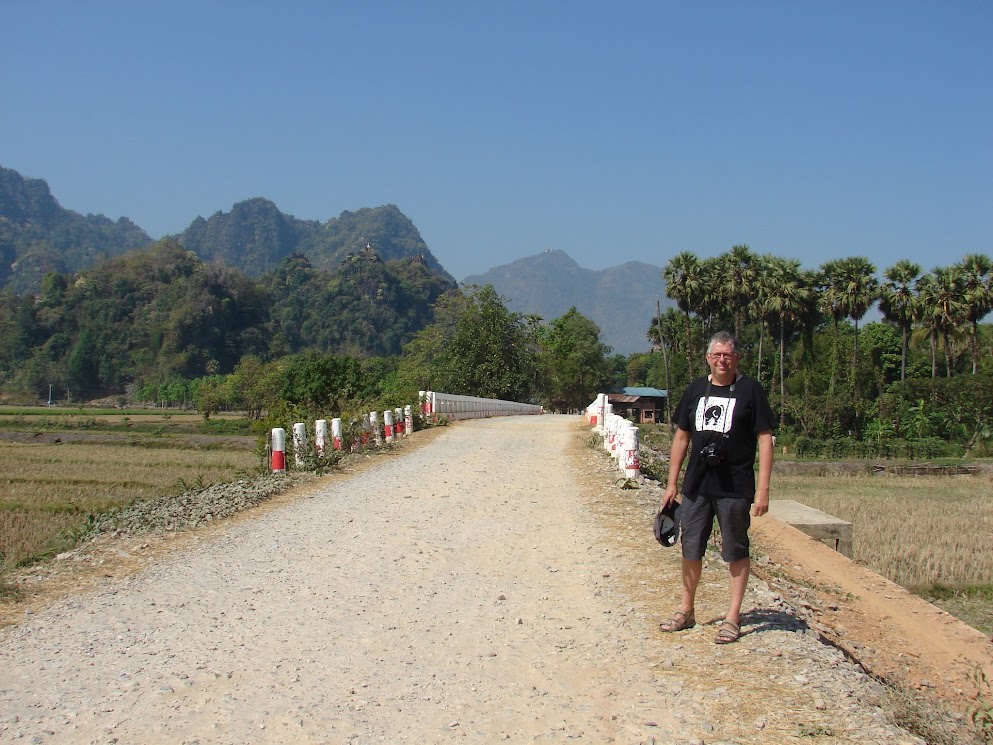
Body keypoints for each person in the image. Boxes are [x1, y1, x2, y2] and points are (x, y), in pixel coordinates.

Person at [658, 330, 774, 644]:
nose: (722, 359)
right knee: (691, 546)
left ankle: (733, 617)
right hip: (697, 484)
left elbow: (765, 439)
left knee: (735, 548)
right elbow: (682, 437)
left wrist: (763, 488)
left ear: (736, 358)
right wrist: (672, 484)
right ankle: (687, 609)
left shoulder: (750, 390)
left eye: (728, 354)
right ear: (708, 358)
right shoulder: (696, 389)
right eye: (716, 354)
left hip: (735, 485)